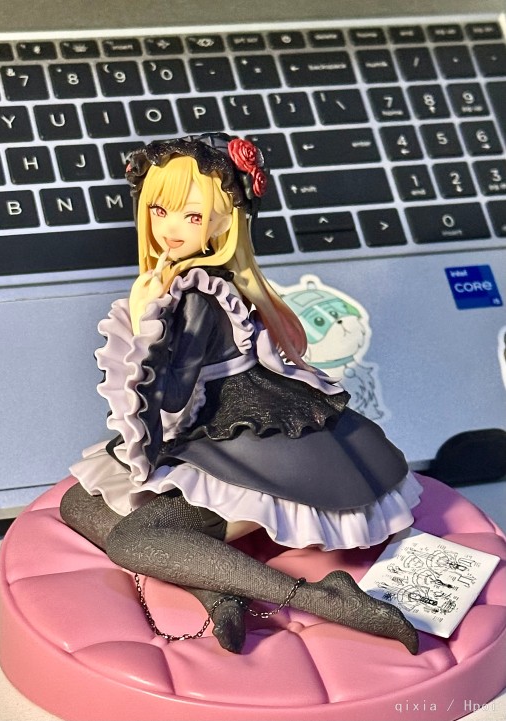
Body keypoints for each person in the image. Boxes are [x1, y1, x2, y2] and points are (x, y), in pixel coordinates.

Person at [61, 133, 422, 654]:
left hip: (239, 434)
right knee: (79, 502)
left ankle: (323, 597)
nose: (169, 228)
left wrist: (143, 318)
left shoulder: (197, 295)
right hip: (207, 421)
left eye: (191, 216)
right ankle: (214, 585)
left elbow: (171, 394)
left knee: (132, 538)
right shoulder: (186, 282)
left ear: (223, 223)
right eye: (160, 210)